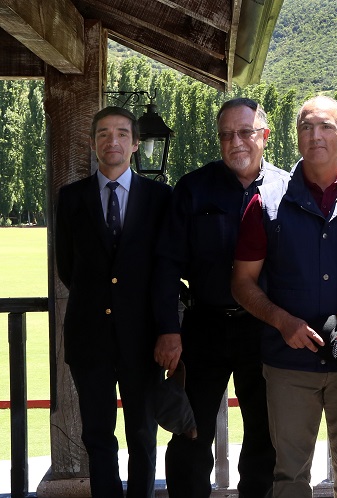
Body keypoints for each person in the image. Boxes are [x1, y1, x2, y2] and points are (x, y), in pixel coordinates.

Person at [230, 95, 337, 498]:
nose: (314, 135)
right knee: (288, 479)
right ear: (295, 136)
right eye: (306, 127)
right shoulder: (265, 201)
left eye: (325, 127)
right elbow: (241, 282)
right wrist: (281, 321)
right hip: (288, 365)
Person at [152, 98, 288, 497]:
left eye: (245, 132)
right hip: (204, 326)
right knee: (190, 432)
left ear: (264, 135)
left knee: (265, 435)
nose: (236, 142)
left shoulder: (288, 189)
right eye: (226, 134)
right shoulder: (193, 188)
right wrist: (167, 329)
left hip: (264, 330)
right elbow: (165, 265)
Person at [55, 106, 171, 498]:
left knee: (142, 433)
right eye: (103, 134)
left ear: (136, 145)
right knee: (97, 434)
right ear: (92, 143)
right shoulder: (71, 199)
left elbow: (164, 270)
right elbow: (68, 268)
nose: (113, 141)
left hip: (143, 339)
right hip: (90, 339)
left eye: (122, 133)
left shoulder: (160, 198)